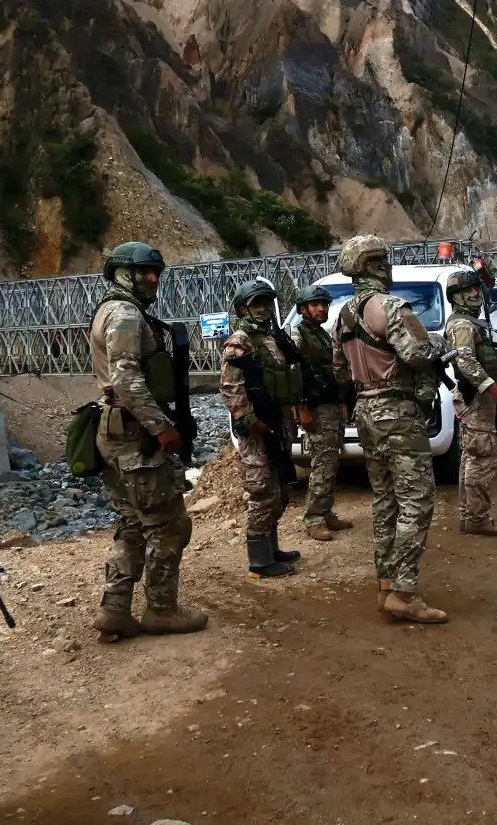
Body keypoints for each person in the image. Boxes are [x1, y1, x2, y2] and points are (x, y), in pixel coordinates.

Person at [88, 242, 206, 641]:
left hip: (119, 432)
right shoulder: (123, 314)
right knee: (169, 524)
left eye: (156, 271)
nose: (153, 279)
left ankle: (115, 610)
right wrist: (162, 428)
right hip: (136, 436)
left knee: (132, 524)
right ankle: (161, 609)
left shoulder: (118, 310)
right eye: (145, 272)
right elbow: (126, 380)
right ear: (124, 273)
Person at [332, 235, 447, 623]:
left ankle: (386, 584)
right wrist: (435, 348)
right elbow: (416, 354)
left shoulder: (343, 316)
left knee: (384, 500)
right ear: (375, 264)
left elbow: (339, 370)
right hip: (397, 410)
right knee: (417, 501)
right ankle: (404, 591)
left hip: (365, 411)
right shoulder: (391, 306)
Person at [220, 278, 307, 577]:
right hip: (257, 428)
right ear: (244, 307)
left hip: (278, 421)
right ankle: (259, 560)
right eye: (257, 303)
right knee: (262, 492)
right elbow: (231, 388)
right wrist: (249, 422)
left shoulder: (271, 337)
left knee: (280, 489)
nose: (264, 309)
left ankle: (272, 547)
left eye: (266, 303)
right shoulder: (239, 341)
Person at [442, 269, 497, 535]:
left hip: (477, 399)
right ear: (457, 297)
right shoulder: (462, 325)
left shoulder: (471, 322)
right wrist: (495, 390)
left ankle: (469, 515)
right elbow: (467, 362)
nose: (475, 294)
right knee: (481, 458)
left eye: (476, 289)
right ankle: (477, 519)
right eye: (468, 291)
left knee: (471, 457)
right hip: (476, 399)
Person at [288, 285, 353, 544]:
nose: (322, 308)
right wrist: (302, 408)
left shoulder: (322, 335)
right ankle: (313, 519)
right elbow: (293, 374)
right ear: (303, 309)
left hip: (330, 405)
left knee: (331, 462)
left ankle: (325, 513)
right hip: (315, 407)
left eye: (324, 304)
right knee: (322, 464)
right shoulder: (298, 334)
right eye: (315, 305)